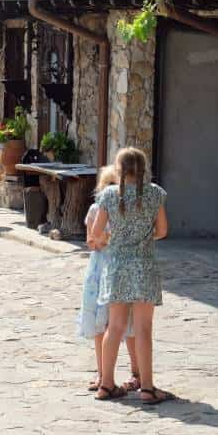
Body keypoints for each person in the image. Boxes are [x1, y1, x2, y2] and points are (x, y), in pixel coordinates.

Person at [88, 147, 173, 404]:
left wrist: (115, 239)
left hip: (116, 267)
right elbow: (162, 231)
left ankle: (106, 384)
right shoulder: (155, 193)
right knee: (143, 329)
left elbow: (96, 234)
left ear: (118, 170)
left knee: (114, 327)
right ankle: (147, 388)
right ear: (144, 170)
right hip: (144, 266)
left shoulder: (108, 195)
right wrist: (142, 238)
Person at [79, 165, 141, 395]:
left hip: (119, 267)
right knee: (101, 323)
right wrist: (106, 239)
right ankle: (103, 373)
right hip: (100, 269)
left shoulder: (128, 209)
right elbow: (91, 241)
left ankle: (136, 372)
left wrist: (105, 238)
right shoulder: (96, 209)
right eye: (109, 185)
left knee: (128, 323)